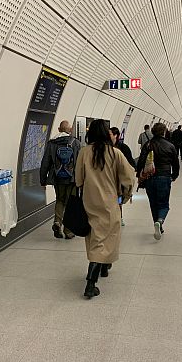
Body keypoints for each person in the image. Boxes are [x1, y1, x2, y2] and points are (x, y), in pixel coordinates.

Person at [75, 119, 134, 299]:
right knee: (106, 237)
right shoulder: (115, 153)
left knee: (95, 236)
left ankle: (104, 267)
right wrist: (126, 195)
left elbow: (78, 179)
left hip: (89, 201)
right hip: (109, 201)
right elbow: (129, 177)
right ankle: (90, 283)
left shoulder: (84, 153)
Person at [136, 122, 180, 240]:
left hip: (150, 178)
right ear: (164, 132)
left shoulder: (147, 144)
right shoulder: (170, 146)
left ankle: (158, 225)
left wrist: (139, 175)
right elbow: (176, 163)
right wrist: (174, 175)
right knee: (164, 204)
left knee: (153, 203)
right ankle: (160, 221)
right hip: (164, 177)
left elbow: (140, 161)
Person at [40, 120, 81, 239]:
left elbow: (45, 163)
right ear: (70, 130)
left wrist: (43, 180)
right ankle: (68, 231)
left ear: (58, 129)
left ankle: (57, 222)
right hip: (72, 179)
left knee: (60, 200)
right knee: (70, 203)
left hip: (57, 178)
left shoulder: (51, 143)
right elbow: (79, 163)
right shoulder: (76, 143)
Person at [110, 126, 136, 226]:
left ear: (116, 135)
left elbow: (131, 163)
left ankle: (119, 217)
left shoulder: (123, 148)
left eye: (110, 134)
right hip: (109, 178)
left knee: (119, 199)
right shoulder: (106, 148)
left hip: (119, 179)